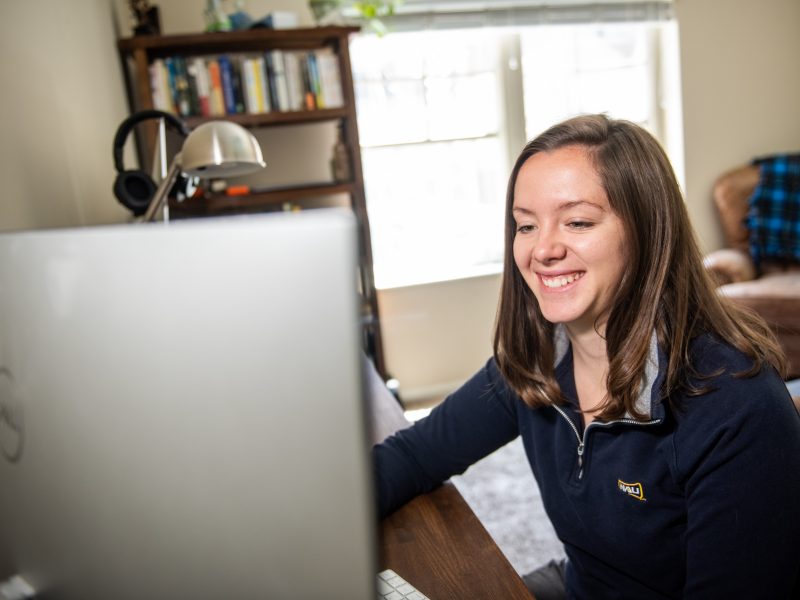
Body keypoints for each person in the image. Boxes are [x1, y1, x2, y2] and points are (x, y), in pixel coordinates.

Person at [372, 114, 800, 599]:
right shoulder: (534, 361)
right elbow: (415, 455)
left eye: (577, 221)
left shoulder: (737, 406)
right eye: (526, 225)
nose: (543, 249)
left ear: (647, 232)